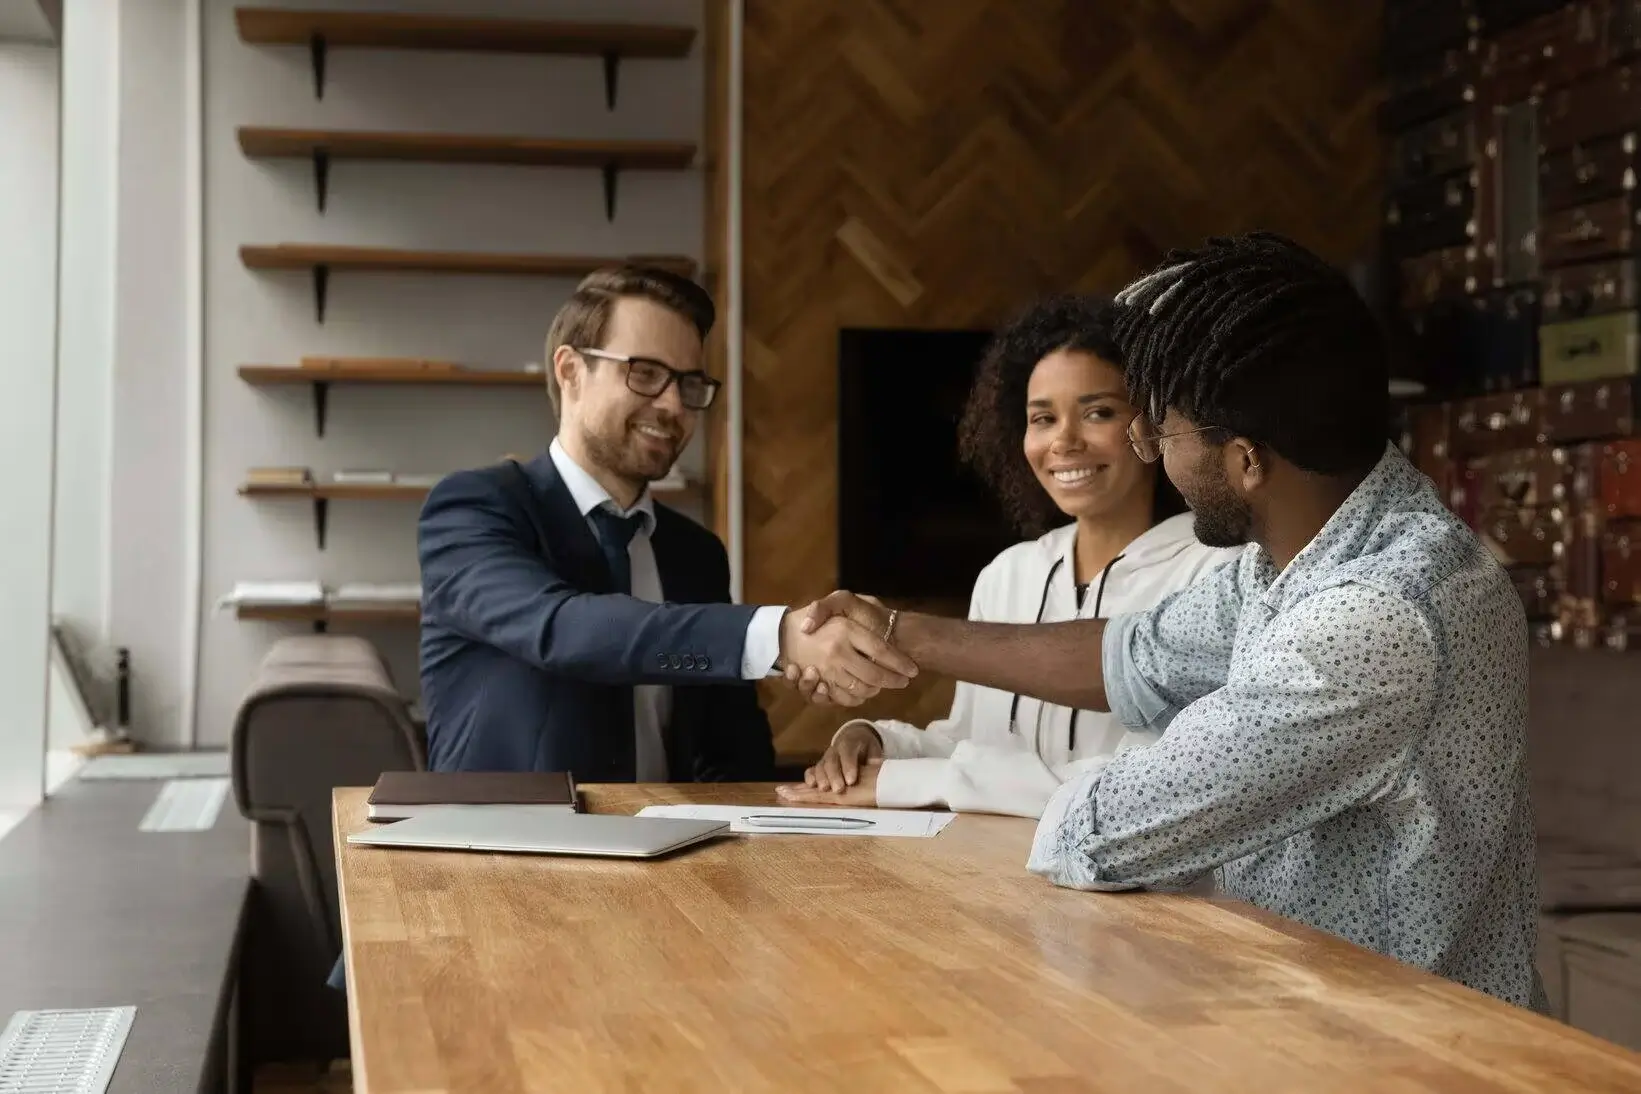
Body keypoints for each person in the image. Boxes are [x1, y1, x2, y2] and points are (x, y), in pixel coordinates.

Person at [786, 233, 1543, 1010]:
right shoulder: (1306, 551)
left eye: (1162, 428)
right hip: (1305, 1014)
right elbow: (1133, 656)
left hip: (1410, 1041)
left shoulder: (1369, 617)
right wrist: (896, 631)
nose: (1148, 448)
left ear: (1245, 460)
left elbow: (1099, 831)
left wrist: (938, 778)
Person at [417, 265, 915, 780]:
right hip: (499, 832)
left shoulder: (695, 552)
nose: (674, 404)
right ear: (570, 371)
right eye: (646, 374)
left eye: (689, 383)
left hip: (666, 831)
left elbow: (732, 751)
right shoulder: (473, 508)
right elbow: (560, 628)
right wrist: (778, 637)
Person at [775, 295, 1238, 817]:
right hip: (986, 864)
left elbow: (1147, 782)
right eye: (1043, 418)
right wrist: (878, 744)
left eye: (1098, 413)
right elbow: (969, 742)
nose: (1064, 441)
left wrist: (909, 781)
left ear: (1153, 426)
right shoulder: (1007, 573)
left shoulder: (1217, 574)